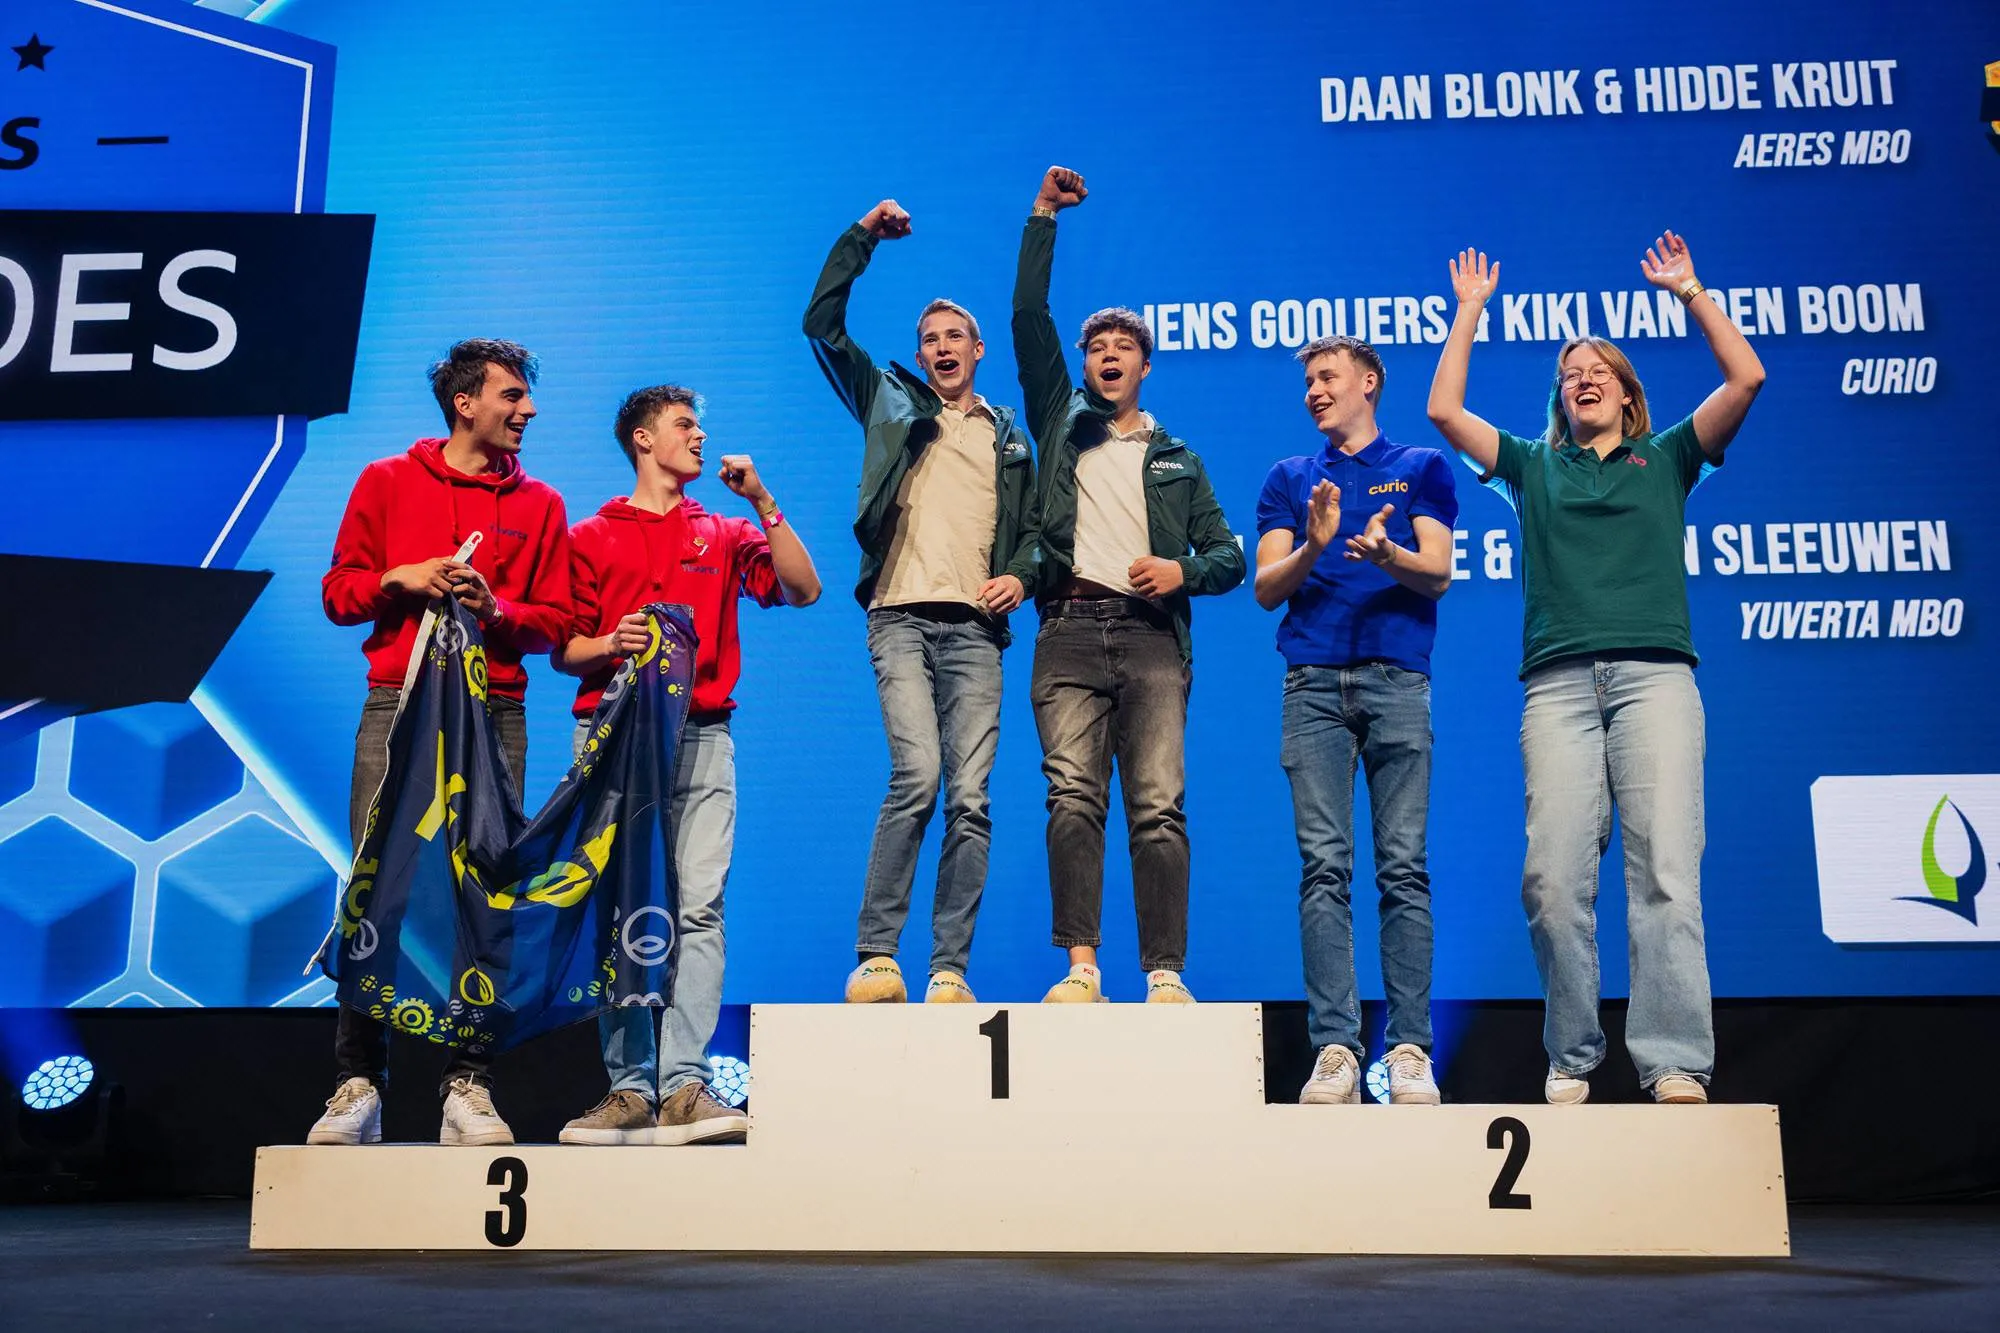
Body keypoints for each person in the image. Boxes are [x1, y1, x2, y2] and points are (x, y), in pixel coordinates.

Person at [1424, 233, 1765, 1104]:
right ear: (1561, 397)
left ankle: (1674, 1059)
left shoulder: (1673, 458)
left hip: (1656, 681)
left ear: (1626, 392)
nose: (1582, 375)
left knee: (1664, 873)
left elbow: (1747, 379)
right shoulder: (1536, 468)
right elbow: (1445, 413)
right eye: (1569, 370)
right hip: (1560, 688)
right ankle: (1573, 1054)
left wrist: (1690, 289)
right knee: (1550, 880)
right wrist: (1469, 312)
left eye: (1598, 368)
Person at [309, 338, 573, 1146]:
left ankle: (469, 1082)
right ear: (466, 403)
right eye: (512, 395)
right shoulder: (387, 481)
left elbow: (559, 624)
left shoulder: (542, 505)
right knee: (376, 886)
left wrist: (496, 612)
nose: (527, 410)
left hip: (495, 713)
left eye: (526, 398)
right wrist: (401, 577)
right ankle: (358, 1081)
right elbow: (339, 593)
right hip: (399, 706)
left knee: (486, 894)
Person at [555, 385, 819, 1145]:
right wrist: (611, 644)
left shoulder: (728, 530)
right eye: (684, 426)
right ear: (643, 439)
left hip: (703, 736)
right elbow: (562, 649)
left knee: (699, 907)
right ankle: (629, 1086)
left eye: (699, 425)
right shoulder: (591, 534)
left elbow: (803, 589)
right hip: (613, 739)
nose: (700, 437)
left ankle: (686, 1082)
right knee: (616, 912)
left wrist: (764, 498)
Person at [1013, 166, 1244, 1004]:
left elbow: (1230, 555)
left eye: (1124, 348)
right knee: (1073, 800)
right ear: (1084, 365)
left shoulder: (1177, 456)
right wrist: (1044, 217)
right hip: (1068, 632)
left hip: (1152, 638)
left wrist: (1183, 568)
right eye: (1096, 349)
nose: (1108, 356)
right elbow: (1027, 318)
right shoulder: (1057, 420)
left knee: (1158, 807)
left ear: (1145, 364)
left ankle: (1164, 972)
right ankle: (1080, 968)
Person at [804, 199, 1040, 1006]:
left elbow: (1040, 528)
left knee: (971, 799)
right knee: (919, 776)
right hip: (900, 615)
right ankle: (877, 954)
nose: (941, 347)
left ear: (978, 351)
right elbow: (822, 325)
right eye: (929, 338)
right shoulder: (888, 400)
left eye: (954, 337)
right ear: (919, 355)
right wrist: (862, 236)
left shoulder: (1009, 434)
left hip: (976, 628)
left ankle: (948, 967)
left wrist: (1025, 574)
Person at [1253, 335, 1457, 1105]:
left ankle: (1408, 1048)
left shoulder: (1420, 468)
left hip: (1398, 680)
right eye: (1308, 380)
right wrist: (1314, 543)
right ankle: (1336, 1048)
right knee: (1323, 870)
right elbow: (1268, 587)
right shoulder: (1290, 478)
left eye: (1327, 377)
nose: (1314, 390)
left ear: (1368, 383)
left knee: (1402, 867)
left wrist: (1387, 555)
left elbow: (1437, 571)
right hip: (1311, 685)